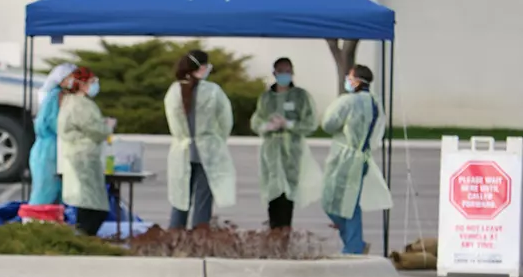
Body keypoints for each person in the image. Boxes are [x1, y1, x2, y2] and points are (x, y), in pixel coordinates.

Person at [321, 64, 393, 254]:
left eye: (349, 77)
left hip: (344, 158)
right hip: (362, 158)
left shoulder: (348, 102)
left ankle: (354, 245)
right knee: (350, 202)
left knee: (333, 202)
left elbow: (328, 124)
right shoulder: (375, 102)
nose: (347, 80)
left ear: (356, 81)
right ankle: (354, 243)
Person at [164, 50, 236, 229]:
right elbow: (226, 120)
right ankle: (199, 240)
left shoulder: (173, 91)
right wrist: (216, 139)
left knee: (180, 200)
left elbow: (171, 121)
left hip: (182, 152)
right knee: (203, 202)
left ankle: (174, 238)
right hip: (208, 153)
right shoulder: (212, 91)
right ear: (202, 67)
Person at [250, 57, 323, 229]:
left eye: (288, 71)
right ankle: (274, 232)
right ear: (274, 73)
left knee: (288, 195)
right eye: (281, 71)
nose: (285, 75)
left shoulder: (300, 97)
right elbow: (256, 122)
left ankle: (284, 232)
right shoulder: (266, 98)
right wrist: (268, 126)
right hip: (271, 152)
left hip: (291, 152)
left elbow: (310, 123)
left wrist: (288, 124)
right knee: (273, 193)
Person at [57, 66, 114, 236]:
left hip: (79, 156)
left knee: (86, 203)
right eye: (91, 82)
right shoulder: (80, 104)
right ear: (82, 84)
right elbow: (95, 129)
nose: (94, 86)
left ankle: (82, 238)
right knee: (95, 207)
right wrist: (107, 127)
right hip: (84, 157)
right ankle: (83, 237)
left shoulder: (69, 102)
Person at [28, 63, 77, 205]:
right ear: (61, 79)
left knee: (59, 196)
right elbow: (54, 123)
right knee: (44, 194)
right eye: (72, 77)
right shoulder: (54, 97)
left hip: (58, 151)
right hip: (48, 152)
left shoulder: (65, 97)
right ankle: (32, 224)